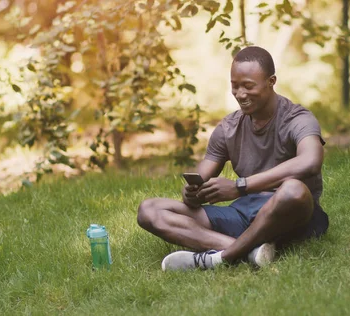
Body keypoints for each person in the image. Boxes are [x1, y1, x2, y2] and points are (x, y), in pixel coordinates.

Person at [137, 46, 329, 271]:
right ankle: (250, 251)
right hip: (243, 214)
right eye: (235, 86)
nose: (240, 94)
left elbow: (310, 161)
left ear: (271, 81)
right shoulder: (228, 128)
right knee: (149, 209)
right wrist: (192, 193)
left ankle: (219, 258)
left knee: (292, 190)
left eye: (248, 86)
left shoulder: (297, 118)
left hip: (290, 215)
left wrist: (240, 186)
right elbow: (201, 177)